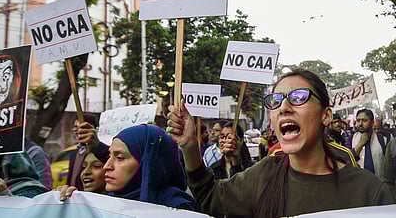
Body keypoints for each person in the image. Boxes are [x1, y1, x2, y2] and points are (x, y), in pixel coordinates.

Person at [167, 68, 394, 218]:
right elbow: (210, 196)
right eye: (275, 101)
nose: (284, 107)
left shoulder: (369, 193)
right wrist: (189, 147)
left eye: (299, 98)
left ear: (325, 115)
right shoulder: (264, 175)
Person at [61, 124, 199, 211]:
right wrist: (71, 204)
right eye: (109, 156)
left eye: (120, 157)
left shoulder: (178, 208)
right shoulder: (108, 201)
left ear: (148, 164)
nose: (107, 166)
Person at [351, 109, 389, 178]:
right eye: (358, 120)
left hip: (379, 184)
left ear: (372, 122)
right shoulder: (351, 139)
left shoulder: (383, 140)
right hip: (359, 184)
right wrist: (361, 143)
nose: (360, 123)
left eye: (364, 120)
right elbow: (348, 159)